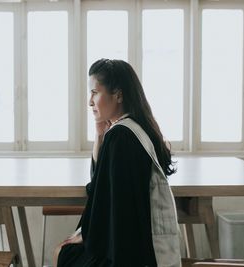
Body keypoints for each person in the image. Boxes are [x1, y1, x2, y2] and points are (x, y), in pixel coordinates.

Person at [53, 59, 181, 267]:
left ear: (118, 95)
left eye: (95, 92)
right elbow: (104, 188)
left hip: (126, 254)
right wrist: (99, 134)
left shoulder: (120, 136)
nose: (89, 101)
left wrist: (86, 233)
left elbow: (100, 196)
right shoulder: (139, 128)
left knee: (63, 252)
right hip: (142, 248)